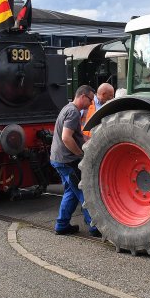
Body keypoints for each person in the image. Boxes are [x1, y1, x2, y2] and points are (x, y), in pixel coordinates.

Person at [50, 85, 101, 237]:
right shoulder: (73, 112)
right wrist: (80, 154)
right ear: (83, 96)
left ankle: (62, 225)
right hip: (68, 161)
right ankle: (94, 226)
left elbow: (76, 135)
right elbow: (66, 137)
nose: (91, 103)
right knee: (84, 191)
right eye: (90, 99)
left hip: (59, 159)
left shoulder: (68, 108)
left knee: (71, 192)